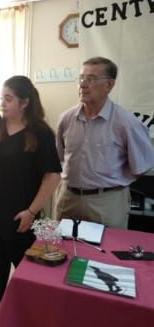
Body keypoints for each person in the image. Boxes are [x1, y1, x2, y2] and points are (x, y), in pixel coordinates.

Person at [0, 75, 61, 314]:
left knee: (25, 262)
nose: (3, 103)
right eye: (2, 98)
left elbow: (52, 176)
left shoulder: (40, 133)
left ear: (24, 102)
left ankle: (30, 306)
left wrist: (32, 211)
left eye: (8, 99)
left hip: (22, 211)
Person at [55, 56, 154, 228]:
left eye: (91, 79)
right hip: (68, 198)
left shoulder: (126, 122)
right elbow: (60, 157)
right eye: (81, 78)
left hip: (106, 202)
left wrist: (110, 181)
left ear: (109, 85)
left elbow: (142, 166)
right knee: (63, 250)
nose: (83, 84)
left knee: (106, 252)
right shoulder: (66, 118)